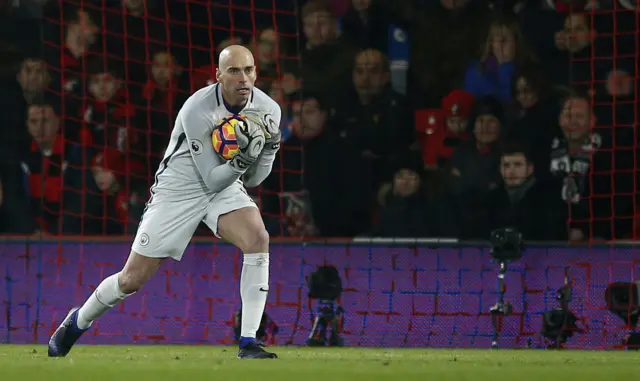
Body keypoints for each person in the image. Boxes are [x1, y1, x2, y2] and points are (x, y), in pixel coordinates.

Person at [47, 45, 282, 359]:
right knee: (131, 280)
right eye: (234, 71)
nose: (243, 78)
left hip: (225, 186)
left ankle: (249, 342)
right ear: (218, 75)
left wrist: (267, 151)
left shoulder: (268, 110)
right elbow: (211, 177)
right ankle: (76, 322)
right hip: (179, 188)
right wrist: (243, 161)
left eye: (249, 70)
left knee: (257, 238)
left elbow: (252, 181)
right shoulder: (197, 108)